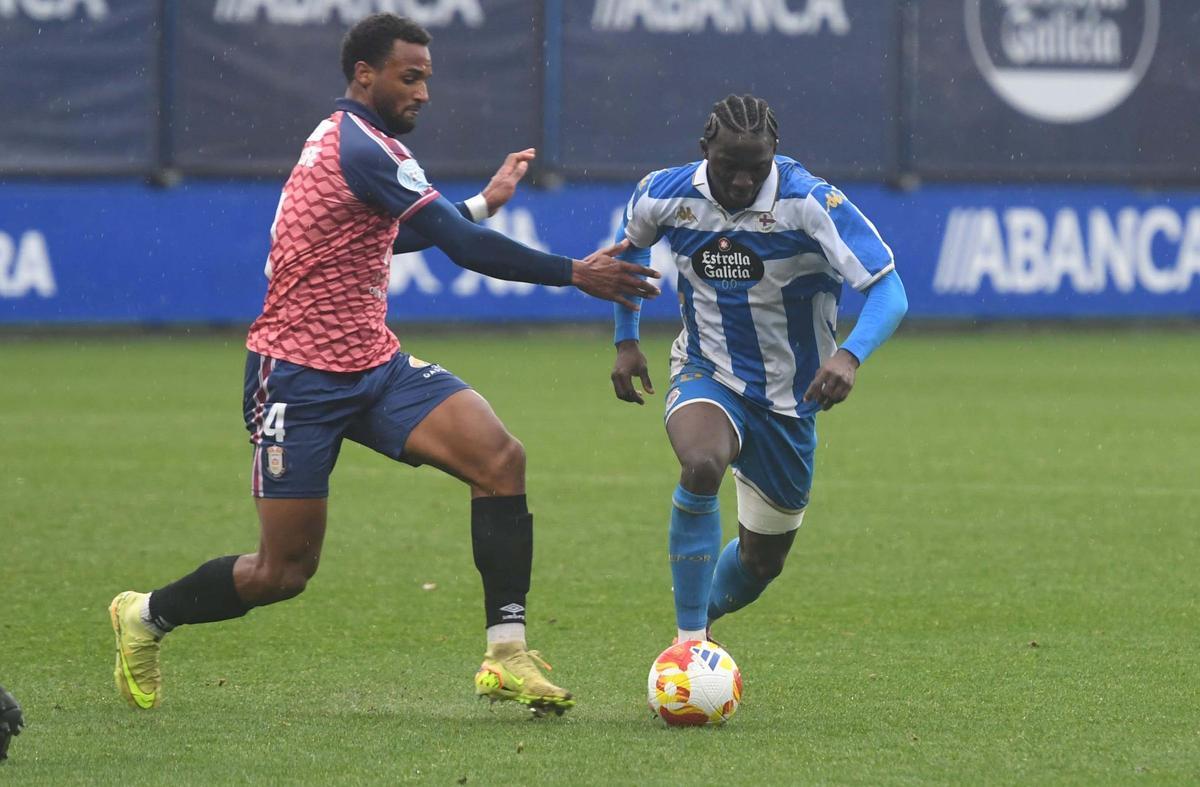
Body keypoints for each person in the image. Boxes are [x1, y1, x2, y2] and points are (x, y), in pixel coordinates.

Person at [108, 13, 659, 718]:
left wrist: (485, 202)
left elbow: (385, 241)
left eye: (427, 76)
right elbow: (460, 248)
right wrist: (573, 273)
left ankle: (507, 653)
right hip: (296, 377)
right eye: (410, 75)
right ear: (364, 75)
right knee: (283, 571)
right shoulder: (362, 147)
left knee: (500, 459)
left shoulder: (354, 143)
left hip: (373, 365)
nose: (424, 91)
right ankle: (145, 615)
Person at [608, 94, 907, 647]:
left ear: (776, 154)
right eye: (729, 166)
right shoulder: (662, 193)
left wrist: (849, 355)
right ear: (704, 151)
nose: (743, 181)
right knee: (701, 464)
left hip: (793, 401)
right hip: (706, 369)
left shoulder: (809, 201)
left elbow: (890, 289)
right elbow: (629, 253)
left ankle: (707, 619)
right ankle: (689, 645)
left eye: (757, 167)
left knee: (761, 562)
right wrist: (627, 341)